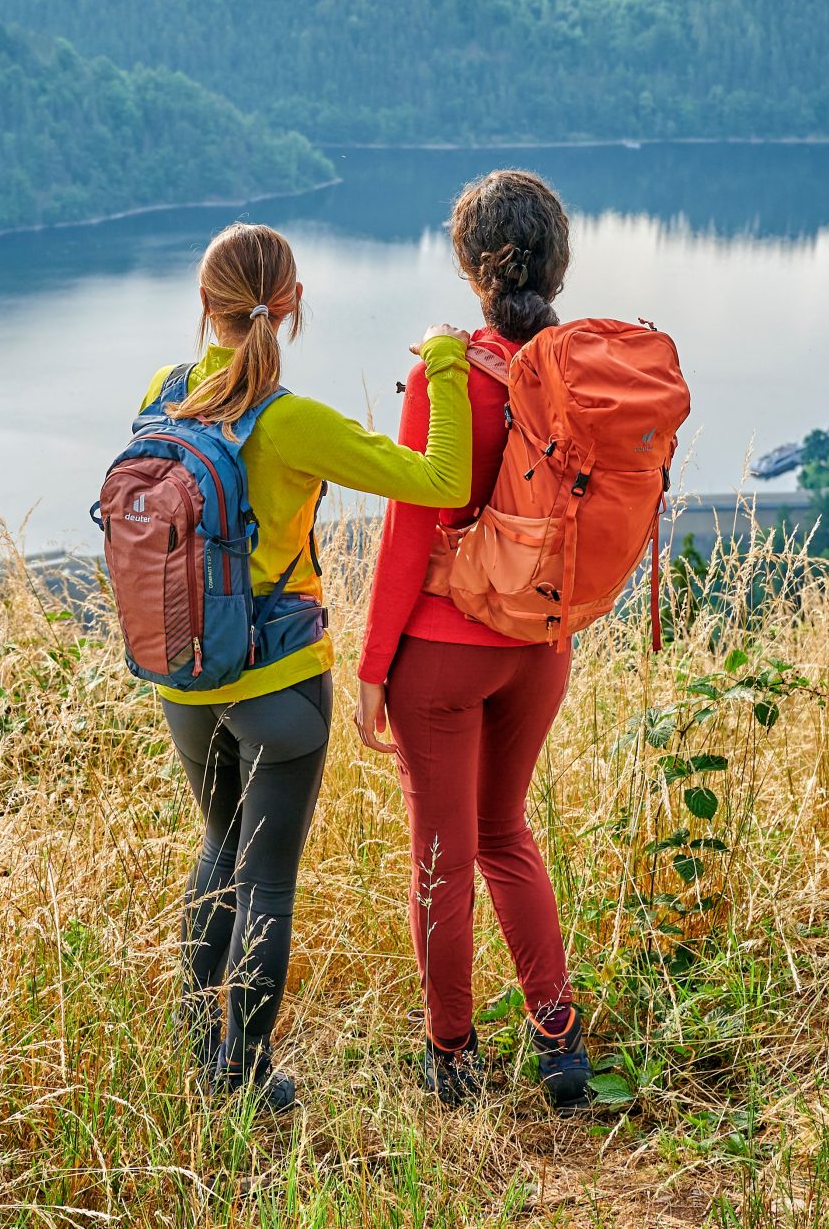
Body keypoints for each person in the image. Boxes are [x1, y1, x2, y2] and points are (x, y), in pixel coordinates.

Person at [138, 221, 473, 1112]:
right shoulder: (291, 423)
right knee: (268, 878)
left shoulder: (164, 392)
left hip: (183, 671)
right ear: (289, 306)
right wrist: (444, 360)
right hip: (279, 685)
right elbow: (441, 478)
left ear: (205, 306)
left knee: (217, 844)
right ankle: (244, 1080)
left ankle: (197, 1038)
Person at [354, 169, 595, 1109]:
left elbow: (414, 526)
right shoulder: (580, 369)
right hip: (540, 645)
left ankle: (452, 1054)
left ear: (469, 266)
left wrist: (375, 666)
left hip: (445, 654)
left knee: (443, 856)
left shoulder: (448, 370)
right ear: (558, 263)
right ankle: (560, 1038)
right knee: (506, 833)